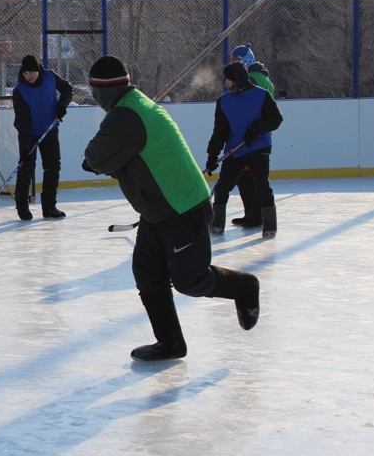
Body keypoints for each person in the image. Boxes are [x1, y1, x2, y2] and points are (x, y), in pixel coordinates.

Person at [82, 56, 261, 362]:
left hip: (183, 206)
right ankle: (171, 343)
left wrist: (105, 162)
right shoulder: (133, 106)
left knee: (190, 281)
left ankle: (244, 286)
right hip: (159, 208)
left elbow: (95, 158)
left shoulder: (126, 116)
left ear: (100, 90)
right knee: (148, 275)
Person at [206, 61, 283, 239]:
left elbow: (276, 119)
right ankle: (217, 225)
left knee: (262, 187)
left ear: (239, 79)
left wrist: (257, 128)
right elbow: (220, 132)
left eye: (229, 81)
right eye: (225, 81)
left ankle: (269, 225)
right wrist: (212, 156)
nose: (226, 84)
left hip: (258, 147)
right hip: (235, 149)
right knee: (223, 187)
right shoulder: (224, 102)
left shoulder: (261, 96)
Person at [11, 54, 73, 220]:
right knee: (26, 168)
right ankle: (22, 208)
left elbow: (68, 89)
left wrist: (61, 106)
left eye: (32, 72)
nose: (29, 76)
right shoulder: (19, 90)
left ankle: (49, 207)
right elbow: (23, 122)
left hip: (50, 129)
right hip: (29, 134)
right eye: (25, 73)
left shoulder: (50, 77)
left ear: (38, 70)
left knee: (52, 167)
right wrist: (24, 147)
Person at [229, 43, 276, 228]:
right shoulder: (259, 77)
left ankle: (255, 216)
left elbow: (249, 108)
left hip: (252, 138)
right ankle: (251, 214)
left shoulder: (253, 79)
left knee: (250, 178)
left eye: (236, 61)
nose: (233, 65)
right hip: (254, 136)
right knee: (246, 177)